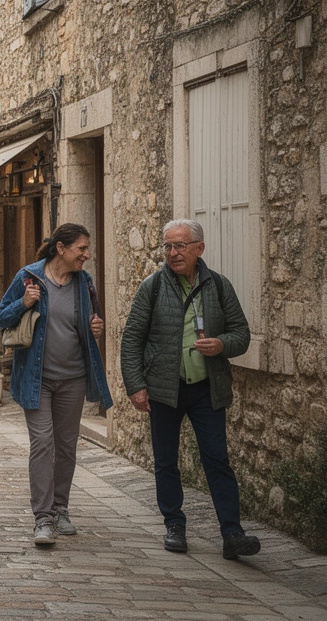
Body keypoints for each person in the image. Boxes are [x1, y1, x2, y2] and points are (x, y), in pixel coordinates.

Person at [120, 219, 258, 560]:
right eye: (167, 246)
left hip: (205, 388)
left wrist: (222, 344)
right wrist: (136, 386)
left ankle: (232, 533)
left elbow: (242, 334)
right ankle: (175, 525)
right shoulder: (152, 287)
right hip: (164, 389)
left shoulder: (219, 287)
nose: (173, 253)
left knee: (217, 460)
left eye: (180, 246)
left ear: (199, 248)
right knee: (166, 461)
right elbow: (132, 339)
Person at [0, 224, 114, 545]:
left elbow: (91, 323)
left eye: (87, 249)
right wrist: (25, 303)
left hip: (73, 378)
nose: (87, 255)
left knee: (66, 446)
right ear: (61, 248)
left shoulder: (84, 283)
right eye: (82, 249)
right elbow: (0, 317)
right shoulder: (28, 278)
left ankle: (61, 508)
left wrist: (96, 328)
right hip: (36, 379)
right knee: (43, 443)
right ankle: (43, 518)